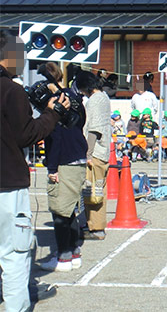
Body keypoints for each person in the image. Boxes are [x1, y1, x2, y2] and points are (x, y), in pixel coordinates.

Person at [1, 31, 67, 310]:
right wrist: (53, 113)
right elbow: (26, 134)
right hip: (7, 184)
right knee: (14, 256)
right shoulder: (11, 90)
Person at [38, 63, 86, 273]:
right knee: (71, 210)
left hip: (63, 160)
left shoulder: (54, 103)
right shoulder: (73, 97)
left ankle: (64, 256)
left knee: (59, 212)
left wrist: (52, 168)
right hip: (78, 156)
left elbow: (55, 138)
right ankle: (74, 252)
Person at [75, 70, 112, 241]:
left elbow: (94, 130)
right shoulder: (103, 97)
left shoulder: (95, 101)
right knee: (97, 189)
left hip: (95, 151)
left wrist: (87, 153)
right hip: (102, 150)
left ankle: (96, 229)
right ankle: (93, 225)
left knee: (93, 191)